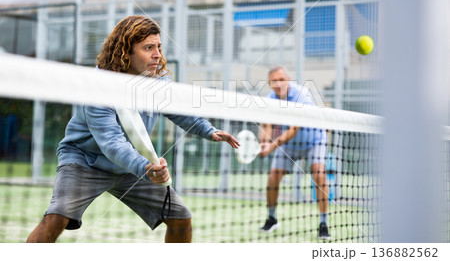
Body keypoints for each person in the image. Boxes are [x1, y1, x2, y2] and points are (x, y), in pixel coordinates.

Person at [26, 15, 239, 243]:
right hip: (85, 161)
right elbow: (112, 142)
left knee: (180, 218)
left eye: (158, 46)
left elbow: (177, 109)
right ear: (126, 52)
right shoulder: (99, 87)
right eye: (148, 48)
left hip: (134, 167)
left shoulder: (157, 83)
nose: (157, 54)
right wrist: (146, 168)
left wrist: (208, 130)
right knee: (57, 218)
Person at [258, 66, 331, 240]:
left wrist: (272, 146)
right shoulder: (271, 99)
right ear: (269, 83)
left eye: (282, 79)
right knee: (273, 177)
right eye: (274, 80)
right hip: (289, 144)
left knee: (319, 174)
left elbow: (294, 128)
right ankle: (272, 218)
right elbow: (266, 124)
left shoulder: (301, 95)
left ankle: (323, 223)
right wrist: (263, 143)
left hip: (314, 140)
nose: (278, 83)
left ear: (288, 80)